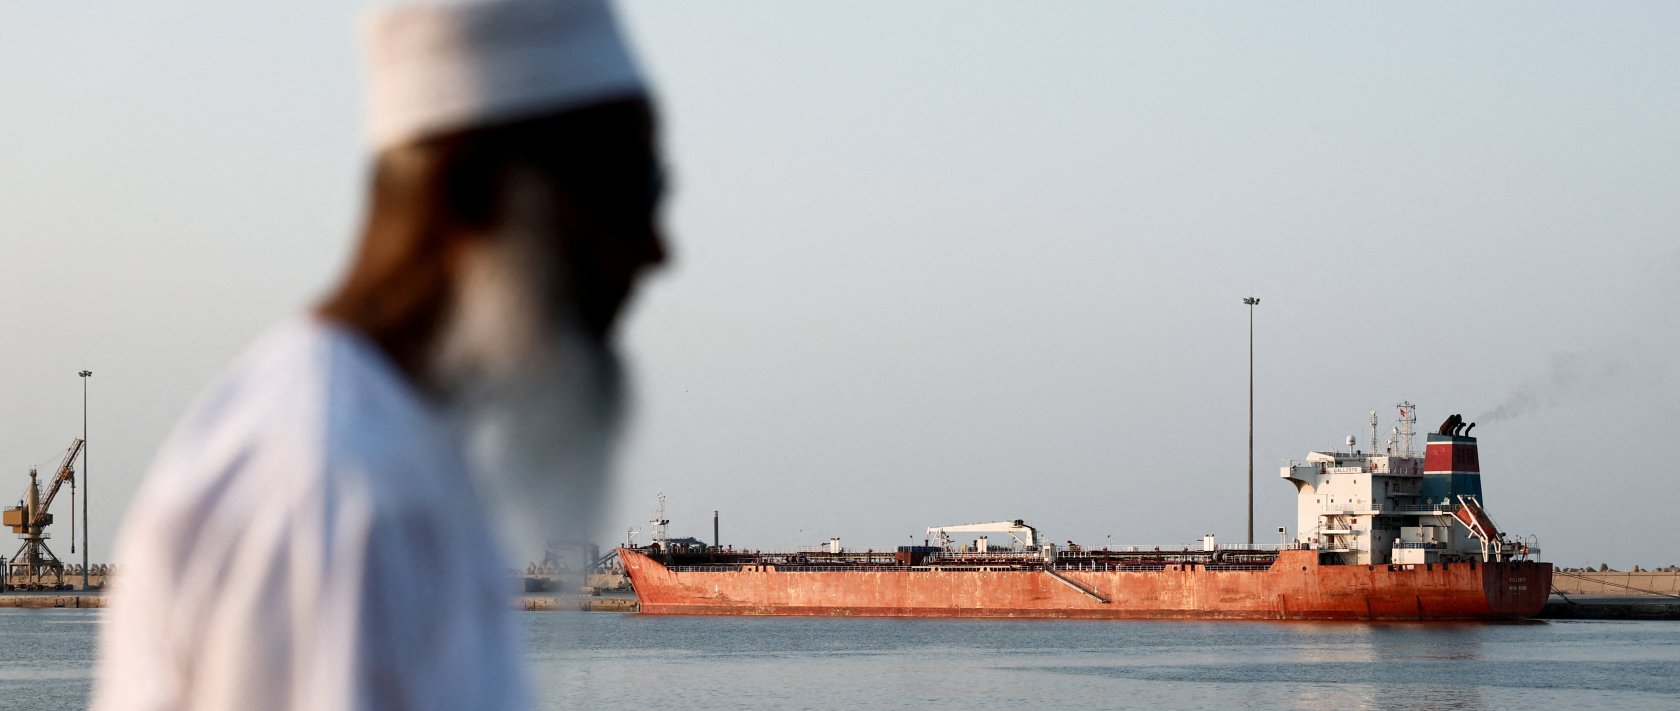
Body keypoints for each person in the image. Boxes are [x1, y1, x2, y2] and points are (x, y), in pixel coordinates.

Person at [91, 0, 664, 708]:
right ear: (476, 184)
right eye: (634, 190)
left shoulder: (394, 459)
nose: (655, 249)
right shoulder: (334, 490)